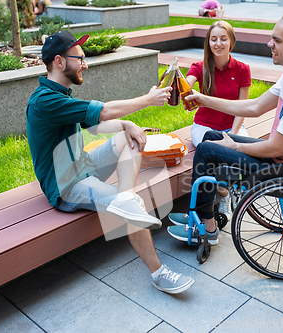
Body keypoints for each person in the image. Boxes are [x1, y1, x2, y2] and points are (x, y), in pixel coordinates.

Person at [26, 30, 194, 294]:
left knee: (130, 139)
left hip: (83, 165)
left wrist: (127, 124)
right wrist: (147, 101)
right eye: (80, 58)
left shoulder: (60, 93)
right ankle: (159, 273)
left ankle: (126, 198)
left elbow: (96, 124)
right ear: (59, 62)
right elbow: (102, 111)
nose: (85, 64)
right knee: (129, 208)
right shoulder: (45, 101)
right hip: (66, 185)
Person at [167, 9, 283, 246]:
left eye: (277, 40)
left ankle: (206, 226)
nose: (270, 44)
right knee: (214, 136)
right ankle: (204, 211)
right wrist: (204, 99)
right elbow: (255, 106)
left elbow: (277, 148)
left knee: (206, 149)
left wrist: (234, 143)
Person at [169, 20, 251, 226]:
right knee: (211, 148)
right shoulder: (199, 67)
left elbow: (243, 107)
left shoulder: (242, 69)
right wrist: (177, 78)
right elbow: (188, 86)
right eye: (213, 39)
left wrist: (232, 134)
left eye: (223, 38)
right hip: (204, 127)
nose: (218, 43)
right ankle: (223, 192)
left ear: (231, 42)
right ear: (208, 43)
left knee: (244, 152)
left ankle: (229, 191)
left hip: (231, 127)